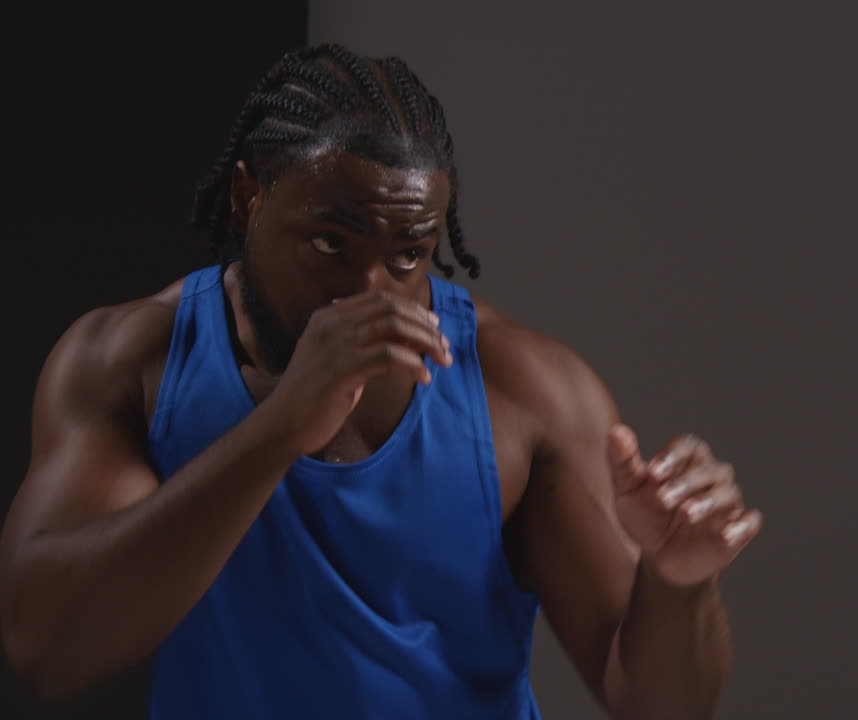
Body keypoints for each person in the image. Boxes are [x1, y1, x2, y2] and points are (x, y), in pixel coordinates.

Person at [0, 43, 762, 718]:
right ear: (247, 197)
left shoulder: (523, 389)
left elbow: (661, 706)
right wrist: (281, 428)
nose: (371, 291)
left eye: (408, 253)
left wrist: (677, 583)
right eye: (330, 242)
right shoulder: (130, 360)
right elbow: (49, 650)